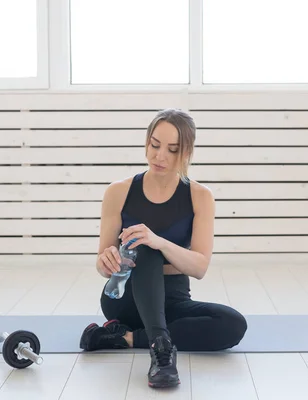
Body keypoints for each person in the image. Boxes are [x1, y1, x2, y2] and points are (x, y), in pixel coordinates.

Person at [79, 108, 248, 389]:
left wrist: (159, 242)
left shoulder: (200, 197)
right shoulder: (118, 192)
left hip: (173, 301)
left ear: (186, 153)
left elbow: (199, 267)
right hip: (126, 299)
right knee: (144, 248)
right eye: (154, 145)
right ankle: (161, 351)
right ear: (147, 142)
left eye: (171, 149)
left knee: (233, 325)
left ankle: (123, 338)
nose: (159, 156)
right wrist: (107, 260)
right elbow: (102, 263)